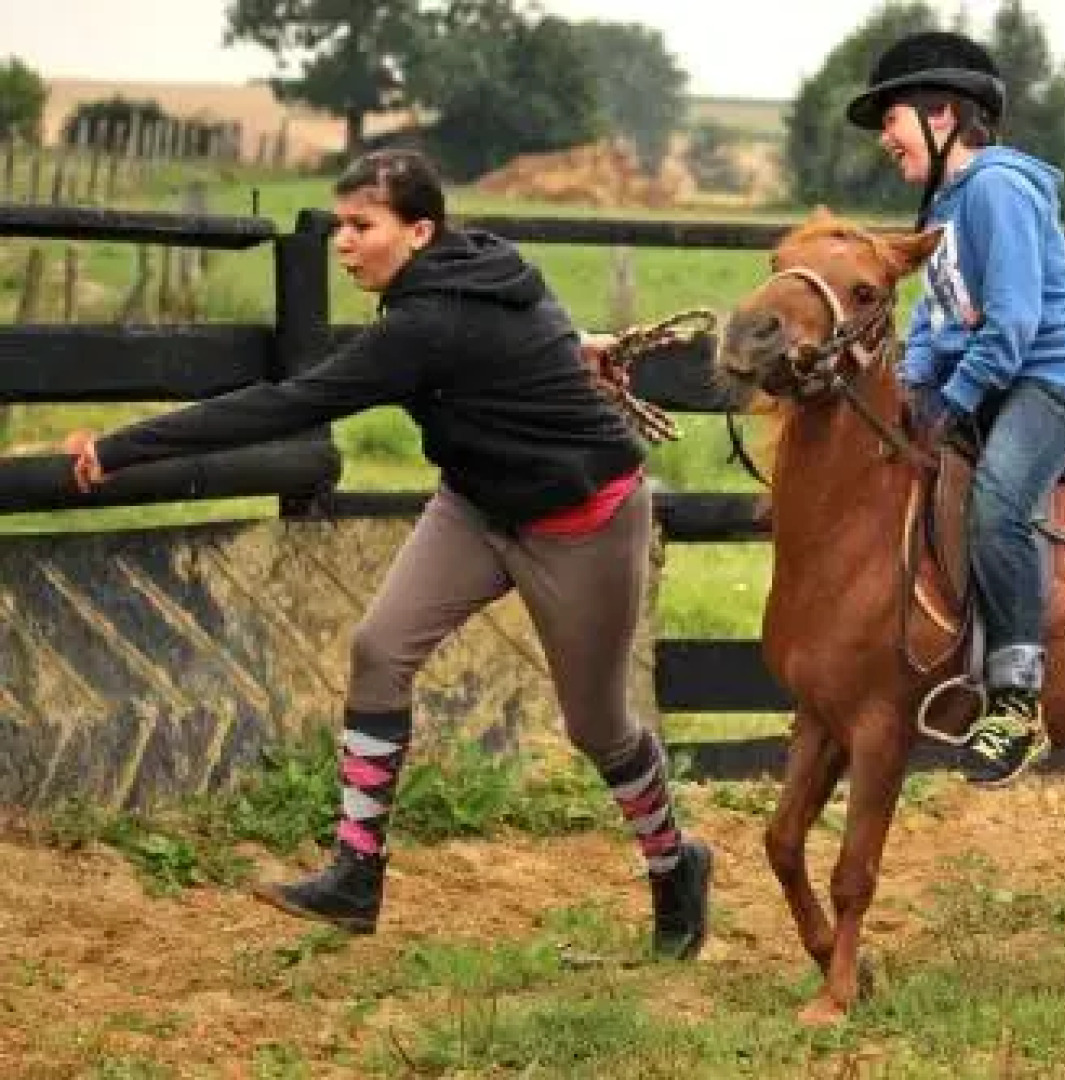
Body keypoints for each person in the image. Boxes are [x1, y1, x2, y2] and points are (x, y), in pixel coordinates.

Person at [63, 148, 712, 956]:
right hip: (476, 505)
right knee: (379, 649)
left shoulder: (428, 320)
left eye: (361, 226)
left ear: (420, 231)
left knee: (598, 726)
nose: (343, 243)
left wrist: (124, 447)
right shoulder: (470, 275)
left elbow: (288, 403)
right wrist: (568, 345)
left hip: (583, 520)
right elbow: (522, 325)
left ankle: (675, 864)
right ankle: (355, 875)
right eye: (340, 225)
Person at [846, 31, 1065, 787]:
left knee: (997, 503)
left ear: (942, 117)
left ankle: (1017, 701)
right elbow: (932, 325)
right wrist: (912, 393)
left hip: (1052, 382)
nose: (885, 142)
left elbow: (1016, 325)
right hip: (994, 378)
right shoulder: (948, 208)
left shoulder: (997, 188)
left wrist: (953, 397)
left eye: (891, 121)